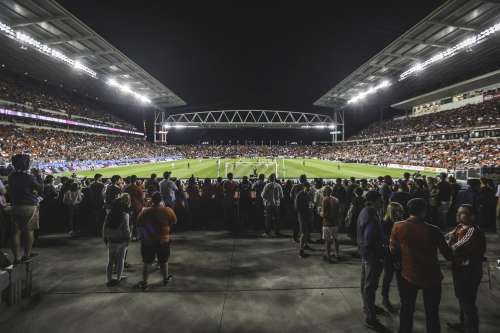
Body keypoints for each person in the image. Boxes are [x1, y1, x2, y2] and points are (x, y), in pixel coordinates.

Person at [390, 198, 454, 333]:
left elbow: (393, 249)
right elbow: (448, 254)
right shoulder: (434, 230)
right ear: (424, 211)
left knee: (407, 310)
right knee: (432, 313)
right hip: (431, 276)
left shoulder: (398, 226)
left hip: (408, 274)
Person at [446, 205, 486, 333]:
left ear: (472, 216)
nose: (458, 215)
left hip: (469, 272)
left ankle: (472, 329)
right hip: (460, 269)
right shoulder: (459, 227)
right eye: (458, 212)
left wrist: (449, 244)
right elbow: (447, 238)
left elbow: (454, 246)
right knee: (463, 299)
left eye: (463, 213)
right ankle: (464, 324)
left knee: (467, 302)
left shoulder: (472, 231)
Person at [136, 192, 177, 290]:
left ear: (151, 200)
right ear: (161, 200)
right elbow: (174, 221)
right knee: (164, 261)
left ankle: (145, 282)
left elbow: (138, 222)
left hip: (148, 241)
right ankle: (165, 278)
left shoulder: (145, 211)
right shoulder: (168, 210)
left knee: (147, 263)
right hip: (163, 240)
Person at [357, 190, 385, 330]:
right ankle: (370, 316)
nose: (382, 202)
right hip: (372, 256)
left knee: (366, 283)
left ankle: (368, 306)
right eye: (380, 199)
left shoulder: (365, 211)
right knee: (370, 286)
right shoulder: (372, 215)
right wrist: (379, 252)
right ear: (374, 201)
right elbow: (370, 238)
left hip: (366, 254)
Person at [8, 154, 43, 264]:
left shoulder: (11, 176)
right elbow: (40, 188)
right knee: (29, 231)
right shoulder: (29, 177)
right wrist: (39, 176)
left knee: (15, 233)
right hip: (29, 206)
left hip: (15, 205)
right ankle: (26, 255)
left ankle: (16, 258)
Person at [102, 194, 131, 287]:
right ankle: (118, 277)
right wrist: (128, 239)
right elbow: (126, 229)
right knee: (120, 260)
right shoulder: (125, 215)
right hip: (121, 240)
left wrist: (105, 238)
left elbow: (104, 228)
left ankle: (109, 279)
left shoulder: (109, 214)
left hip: (111, 240)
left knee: (110, 261)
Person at [380, 201, 404, 313]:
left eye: (400, 211)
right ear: (391, 212)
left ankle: (403, 299)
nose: (399, 213)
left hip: (400, 254)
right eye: (396, 211)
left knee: (401, 278)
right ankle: (385, 299)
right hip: (389, 255)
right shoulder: (386, 223)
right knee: (388, 277)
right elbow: (385, 239)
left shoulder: (401, 222)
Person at [321, 186, 340, 262]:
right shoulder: (336, 200)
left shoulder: (324, 200)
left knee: (327, 241)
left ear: (325, 192)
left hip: (327, 223)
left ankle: (328, 256)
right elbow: (338, 212)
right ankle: (337, 254)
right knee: (336, 239)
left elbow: (324, 213)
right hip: (335, 223)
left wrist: (320, 213)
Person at [261, 173, 283, 237]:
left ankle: (267, 232)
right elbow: (281, 196)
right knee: (276, 219)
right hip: (276, 205)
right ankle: (277, 231)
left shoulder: (267, 185)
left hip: (269, 204)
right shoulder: (278, 185)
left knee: (268, 219)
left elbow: (263, 195)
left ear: (269, 178)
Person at [295, 182, 314, 258]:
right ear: (304, 187)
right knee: (303, 233)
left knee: (306, 232)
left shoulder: (307, 194)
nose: (309, 189)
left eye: (309, 188)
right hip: (302, 216)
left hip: (307, 215)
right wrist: (304, 212)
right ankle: (301, 250)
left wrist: (311, 207)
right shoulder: (299, 195)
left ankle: (305, 245)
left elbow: (310, 203)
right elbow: (297, 207)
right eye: (308, 187)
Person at [123, 175, 144, 240]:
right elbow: (142, 199)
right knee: (136, 222)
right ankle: (136, 236)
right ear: (136, 180)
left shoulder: (126, 188)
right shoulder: (138, 188)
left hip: (129, 207)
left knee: (129, 222)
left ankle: (129, 235)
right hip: (137, 207)